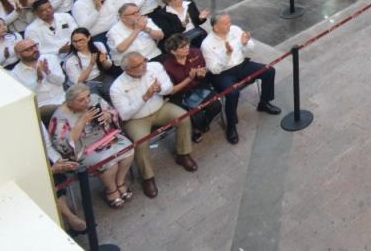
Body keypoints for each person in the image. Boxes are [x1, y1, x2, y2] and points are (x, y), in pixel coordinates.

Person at [110, 51, 197, 198]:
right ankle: (147, 177)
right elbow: (125, 114)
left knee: (183, 117)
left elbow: (169, 87)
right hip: (136, 119)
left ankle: (183, 154)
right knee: (141, 141)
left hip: (160, 108)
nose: (144, 65)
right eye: (138, 65)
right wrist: (145, 97)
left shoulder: (154, 66)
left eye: (144, 61)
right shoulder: (116, 87)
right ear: (128, 70)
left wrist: (160, 89)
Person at [48, 83, 135, 208]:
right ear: (70, 103)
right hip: (82, 149)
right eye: (81, 100)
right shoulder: (60, 118)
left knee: (128, 150)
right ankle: (111, 190)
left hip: (105, 136)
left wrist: (108, 116)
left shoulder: (95, 99)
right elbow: (63, 147)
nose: (87, 101)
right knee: (109, 163)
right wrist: (82, 121)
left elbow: (113, 112)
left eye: (88, 96)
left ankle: (120, 182)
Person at [201, 13, 279, 144]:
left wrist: (245, 44)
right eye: (226, 23)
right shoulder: (207, 44)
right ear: (216, 27)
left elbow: (250, 48)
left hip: (241, 65)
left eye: (229, 21)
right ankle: (231, 125)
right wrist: (226, 55)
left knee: (269, 71)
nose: (229, 25)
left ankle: (264, 103)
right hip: (223, 74)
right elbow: (214, 70)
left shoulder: (235, 30)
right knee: (233, 93)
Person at [160, 33, 221, 142]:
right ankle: (198, 128)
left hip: (199, 86)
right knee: (194, 115)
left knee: (216, 105)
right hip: (180, 94)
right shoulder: (167, 66)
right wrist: (189, 78)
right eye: (182, 47)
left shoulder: (196, 52)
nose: (187, 48)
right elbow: (172, 91)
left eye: (187, 44)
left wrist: (201, 74)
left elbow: (203, 72)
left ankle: (199, 127)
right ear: (173, 51)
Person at [11, 38, 67, 120]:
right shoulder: (15, 74)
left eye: (35, 46)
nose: (34, 50)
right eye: (28, 49)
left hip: (63, 99)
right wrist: (39, 80)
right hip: (42, 107)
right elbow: (27, 97)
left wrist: (48, 72)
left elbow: (61, 81)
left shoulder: (50, 58)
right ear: (19, 55)